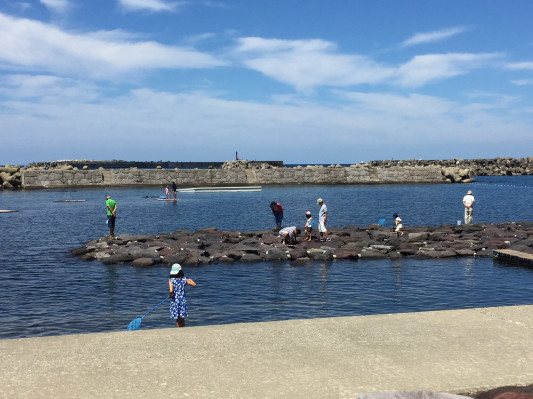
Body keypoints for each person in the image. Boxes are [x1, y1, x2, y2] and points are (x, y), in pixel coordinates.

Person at [168, 263, 196, 328]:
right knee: (182, 318)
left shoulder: (171, 280)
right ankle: (183, 329)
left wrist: (170, 295)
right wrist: (190, 280)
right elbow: (194, 284)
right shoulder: (184, 280)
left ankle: (179, 330)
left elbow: (171, 291)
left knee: (177, 319)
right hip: (183, 301)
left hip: (175, 301)